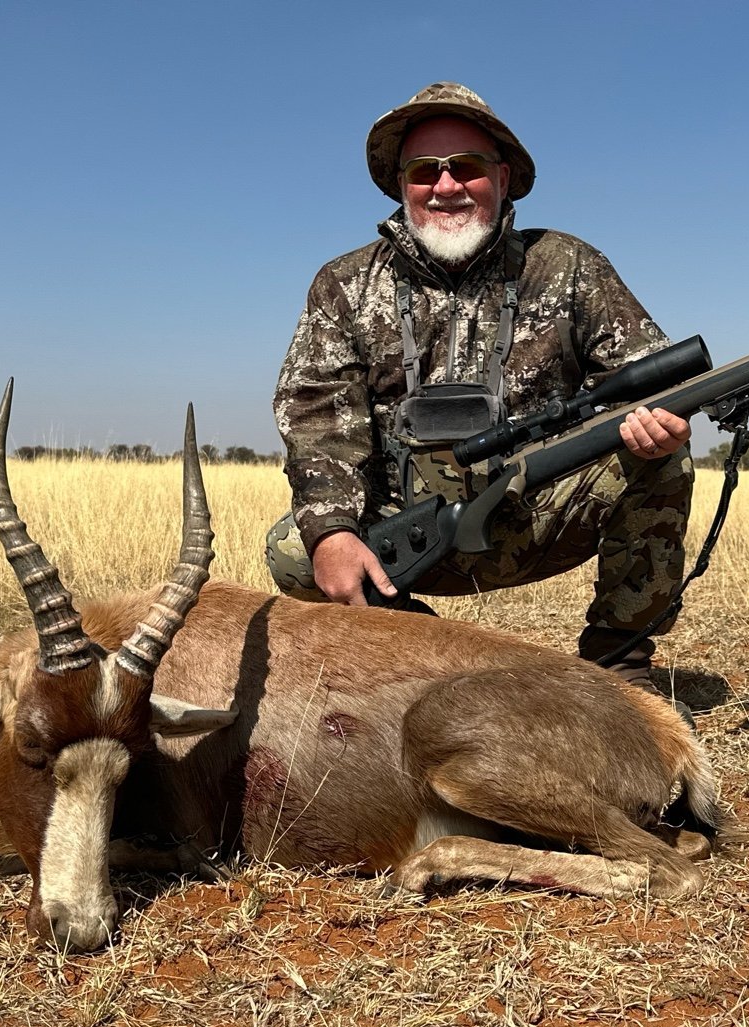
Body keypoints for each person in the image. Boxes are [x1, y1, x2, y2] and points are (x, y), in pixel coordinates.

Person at [266, 82, 693, 694]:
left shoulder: (571, 265)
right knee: (294, 548)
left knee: (663, 454)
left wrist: (659, 424)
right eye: (423, 172)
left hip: (538, 513)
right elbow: (317, 424)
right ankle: (428, 657)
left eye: (465, 167)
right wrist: (334, 532)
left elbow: (656, 379)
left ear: (502, 175)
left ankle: (618, 662)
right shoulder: (343, 284)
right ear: (401, 184)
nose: (445, 187)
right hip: (410, 525)